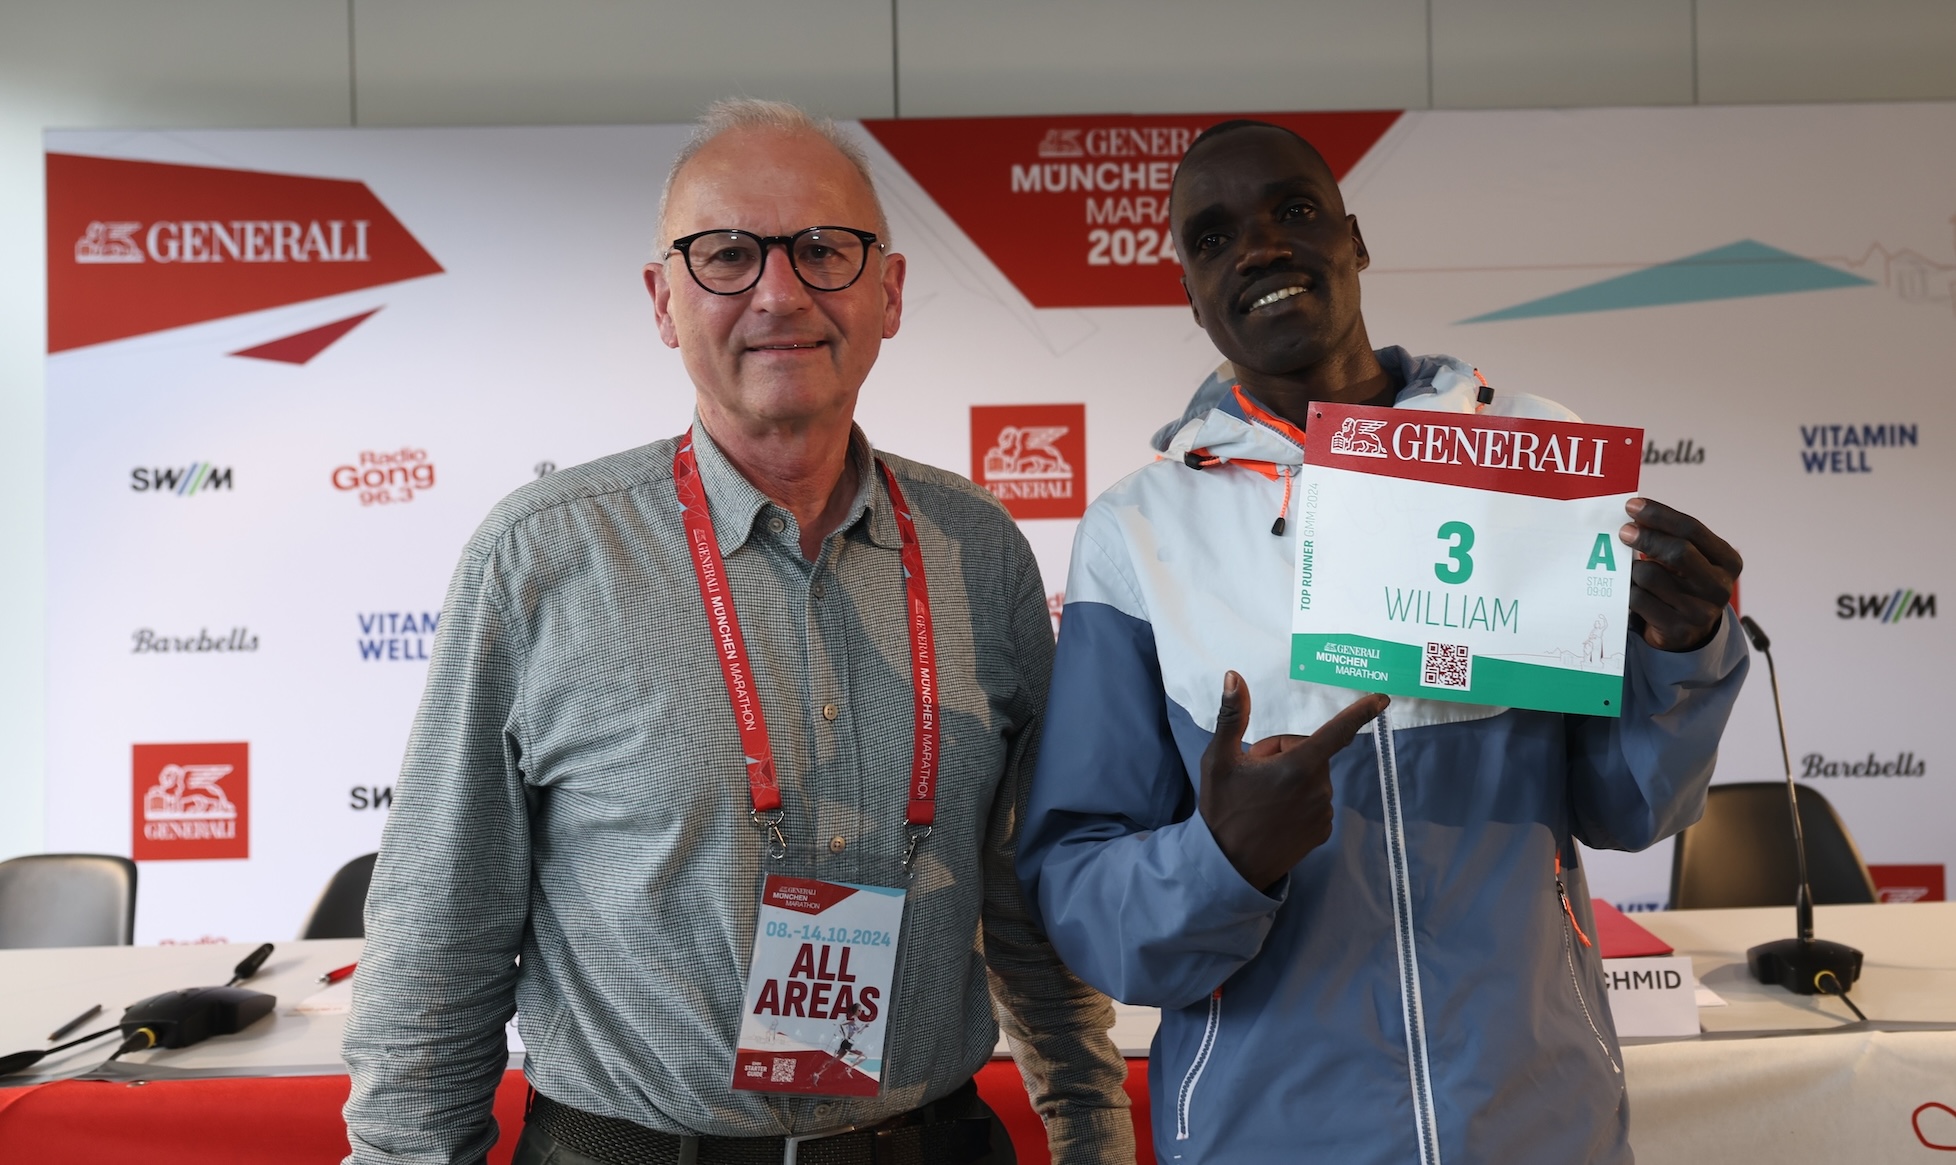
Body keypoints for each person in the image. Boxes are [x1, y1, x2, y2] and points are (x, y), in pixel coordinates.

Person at [342, 98, 1132, 1165]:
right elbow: (441, 935)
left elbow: (1030, 900)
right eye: (724, 256)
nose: (779, 291)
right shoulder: (539, 558)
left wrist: (1092, 1129)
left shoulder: (979, 552)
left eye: (823, 249)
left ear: (889, 292)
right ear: (664, 301)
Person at [1018, 120, 1748, 1164]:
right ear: (1189, 290)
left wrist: (1683, 647)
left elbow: (1631, 805)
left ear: (1355, 240)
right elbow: (1086, 897)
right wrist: (1220, 857)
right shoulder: (1138, 536)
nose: (1262, 246)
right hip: (1265, 1136)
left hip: (1534, 1125)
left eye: (1296, 212)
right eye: (1216, 237)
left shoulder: (1534, 461)